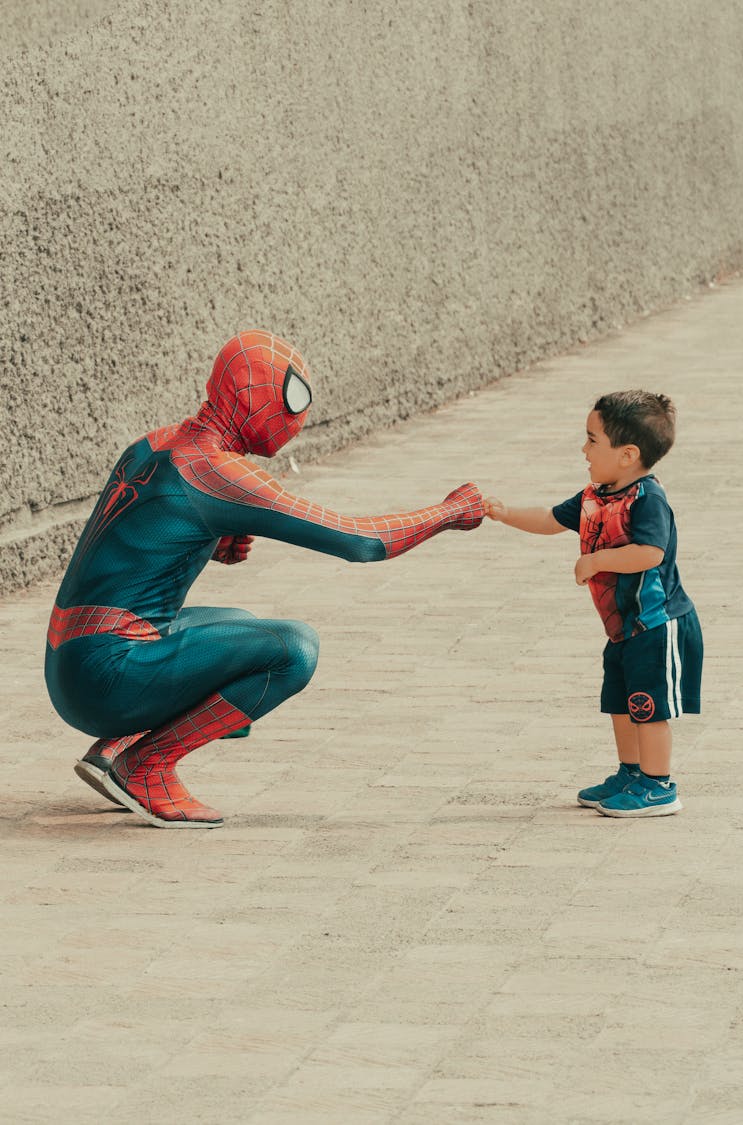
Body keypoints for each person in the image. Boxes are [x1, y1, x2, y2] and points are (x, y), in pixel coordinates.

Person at [45, 330, 485, 829]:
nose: (295, 418)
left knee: (238, 623)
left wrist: (210, 542)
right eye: (290, 398)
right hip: (105, 680)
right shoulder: (215, 470)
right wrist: (449, 512)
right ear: (252, 399)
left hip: (69, 662)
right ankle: (146, 766)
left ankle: (115, 748)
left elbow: (133, 540)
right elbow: (361, 540)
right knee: (292, 648)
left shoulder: (154, 444)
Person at [484, 390, 702, 817]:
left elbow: (650, 553)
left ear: (627, 455)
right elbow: (550, 519)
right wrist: (505, 512)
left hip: (658, 625)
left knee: (648, 708)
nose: (583, 450)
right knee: (620, 702)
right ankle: (631, 772)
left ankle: (659, 786)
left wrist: (597, 559)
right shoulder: (594, 496)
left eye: (592, 440)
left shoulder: (647, 500)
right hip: (622, 629)